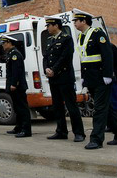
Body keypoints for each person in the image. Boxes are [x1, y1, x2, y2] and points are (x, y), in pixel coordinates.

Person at [72, 9, 113, 149]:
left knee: (99, 109)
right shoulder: (81, 37)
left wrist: (108, 74)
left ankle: (96, 139)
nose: (74, 23)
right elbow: (84, 60)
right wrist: (84, 79)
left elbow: (107, 54)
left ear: (83, 21)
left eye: (76, 21)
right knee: (106, 108)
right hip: (91, 79)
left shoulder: (98, 34)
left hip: (102, 78)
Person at [42, 15, 85, 142]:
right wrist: (46, 69)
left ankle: (79, 133)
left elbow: (65, 57)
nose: (48, 28)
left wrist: (54, 69)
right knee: (57, 106)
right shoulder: (49, 40)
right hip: (53, 79)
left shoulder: (66, 39)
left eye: (49, 25)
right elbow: (45, 57)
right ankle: (61, 131)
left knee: (71, 106)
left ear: (56, 25)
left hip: (64, 77)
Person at [1, 35, 31, 137]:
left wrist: (14, 84)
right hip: (13, 86)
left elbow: (16, 71)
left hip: (17, 86)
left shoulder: (15, 55)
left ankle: (26, 130)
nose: (3, 45)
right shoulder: (10, 54)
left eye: (4, 43)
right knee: (17, 108)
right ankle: (18, 127)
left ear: (10, 43)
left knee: (22, 108)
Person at [105, 43, 117, 145]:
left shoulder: (109, 47)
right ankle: (111, 125)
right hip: (110, 79)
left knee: (114, 105)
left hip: (113, 79)